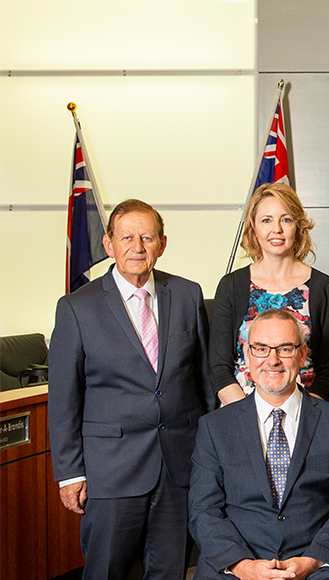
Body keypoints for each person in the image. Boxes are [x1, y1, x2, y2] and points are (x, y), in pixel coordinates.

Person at [48, 199, 214, 579]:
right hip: (111, 471)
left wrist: (210, 456)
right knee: (107, 571)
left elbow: (204, 382)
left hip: (179, 467)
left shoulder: (188, 295)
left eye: (147, 237)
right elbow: (63, 399)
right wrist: (70, 473)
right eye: (126, 237)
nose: (137, 246)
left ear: (162, 243)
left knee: (170, 571)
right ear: (109, 244)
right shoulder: (77, 307)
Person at [189, 309, 329, 580]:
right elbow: (203, 511)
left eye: (285, 348)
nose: (272, 360)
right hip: (236, 566)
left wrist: (310, 561)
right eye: (261, 348)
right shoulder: (215, 427)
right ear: (247, 354)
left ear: (303, 353)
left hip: (317, 565)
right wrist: (244, 566)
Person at [210, 182, 329, 405]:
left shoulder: (324, 287)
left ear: (297, 227)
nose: (277, 229)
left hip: (305, 415)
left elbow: (328, 371)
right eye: (266, 220)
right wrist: (247, 419)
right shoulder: (231, 286)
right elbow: (218, 367)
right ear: (254, 228)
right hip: (240, 412)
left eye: (286, 219)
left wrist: (305, 419)